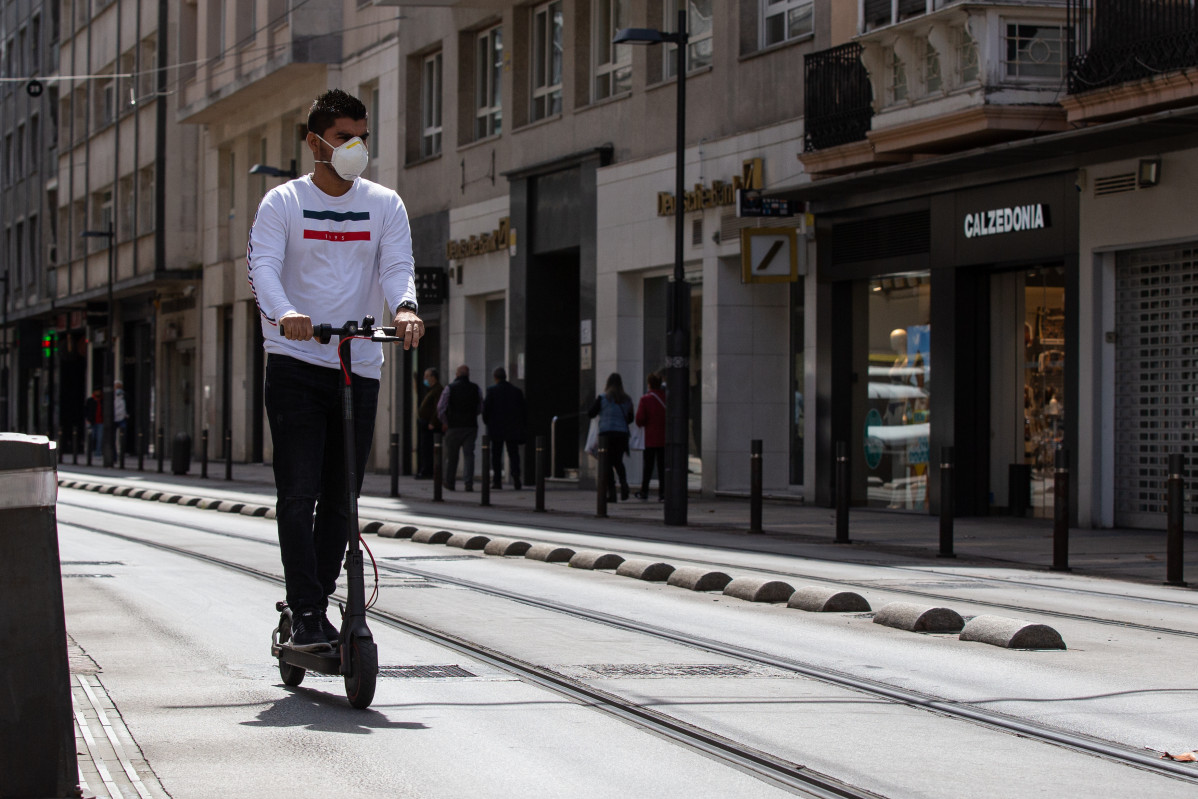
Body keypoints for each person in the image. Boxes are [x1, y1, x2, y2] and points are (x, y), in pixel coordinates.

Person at [247, 88, 424, 653]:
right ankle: (304, 612)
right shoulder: (283, 204)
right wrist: (287, 314)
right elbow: (263, 269)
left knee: (342, 499)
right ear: (315, 142)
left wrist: (406, 308)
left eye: (362, 137)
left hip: (358, 364)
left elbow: (397, 266)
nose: (356, 147)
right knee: (299, 493)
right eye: (344, 137)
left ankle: (316, 602)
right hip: (296, 362)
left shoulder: (384, 204)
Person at [588, 372, 634, 502]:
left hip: (606, 434)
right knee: (618, 461)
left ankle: (611, 493)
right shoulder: (627, 399)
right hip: (621, 434)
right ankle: (624, 484)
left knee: (607, 464)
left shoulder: (602, 398)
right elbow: (630, 419)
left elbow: (591, 413)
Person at [437, 364, 482, 491]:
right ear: (468, 375)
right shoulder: (475, 388)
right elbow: (480, 406)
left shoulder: (450, 388)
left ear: (457, 374)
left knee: (452, 456)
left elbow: (441, 408)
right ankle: (468, 483)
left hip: (453, 426)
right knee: (469, 455)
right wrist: (472, 416)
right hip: (470, 426)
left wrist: (446, 421)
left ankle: (450, 482)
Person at [482, 366, 527, 489]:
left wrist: (488, 422)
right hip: (512, 428)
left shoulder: (492, 390)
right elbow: (523, 411)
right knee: (513, 454)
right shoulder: (516, 391)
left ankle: (497, 481)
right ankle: (516, 477)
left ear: (495, 378)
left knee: (496, 454)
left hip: (496, 428)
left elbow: (486, 410)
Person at [634, 372, 667, 501]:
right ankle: (663, 492)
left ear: (649, 384)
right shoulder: (666, 398)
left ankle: (644, 491)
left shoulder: (646, 399)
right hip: (664, 438)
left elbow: (639, 419)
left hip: (650, 438)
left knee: (648, 466)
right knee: (662, 467)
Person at [415, 367, 443, 478]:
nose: (424, 379)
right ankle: (425, 470)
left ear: (433, 377)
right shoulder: (431, 390)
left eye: (426, 376)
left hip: (430, 425)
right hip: (425, 424)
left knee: (428, 448)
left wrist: (433, 422)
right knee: (424, 447)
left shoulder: (438, 389)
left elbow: (438, 408)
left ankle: (428, 471)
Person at [83, 389, 103, 458]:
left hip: (100, 422)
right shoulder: (90, 400)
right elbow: (86, 410)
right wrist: (87, 419)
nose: (98, 392)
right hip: (92, 422)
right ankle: (90, 451)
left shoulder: (102, 400)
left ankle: (98, 452)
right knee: (91, 437)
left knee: (99, 438)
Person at [113, 380, 129, 457]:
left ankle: (122, 452)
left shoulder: (124, 395)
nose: (118, 388)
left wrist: (127, 414)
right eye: (116, 386)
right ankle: (114, 455)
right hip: (113, 418)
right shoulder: (111, 396)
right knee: (112, 438)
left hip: (122, 417)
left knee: (123, 436)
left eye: (119, 386)